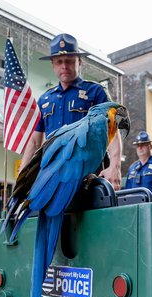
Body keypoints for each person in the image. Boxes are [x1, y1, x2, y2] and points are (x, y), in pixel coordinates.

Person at [19, 33, 122, 189]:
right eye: (59, 62)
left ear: (79, 62)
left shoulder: (95, 92)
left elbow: (112, 131)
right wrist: (22, 179)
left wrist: (115, 167)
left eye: (69, 61)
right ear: (53, 65)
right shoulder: (45, 100)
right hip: (54, 177)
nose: (64, 66)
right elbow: (34, 142)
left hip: (89, 174)